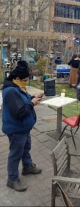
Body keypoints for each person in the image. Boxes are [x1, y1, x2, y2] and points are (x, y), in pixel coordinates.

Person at [2, 61, 43, 192]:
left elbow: (22, 99)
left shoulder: (17, 87)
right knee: (15, 153)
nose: (26, 82)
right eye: (24, 80)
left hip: (23, 128)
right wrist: (32, 103)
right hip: (16, 129)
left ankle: (27, 166)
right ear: (17, 78)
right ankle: (12, 179)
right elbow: (19, 112)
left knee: (26, 147)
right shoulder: (10, 91)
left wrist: (32, 97)